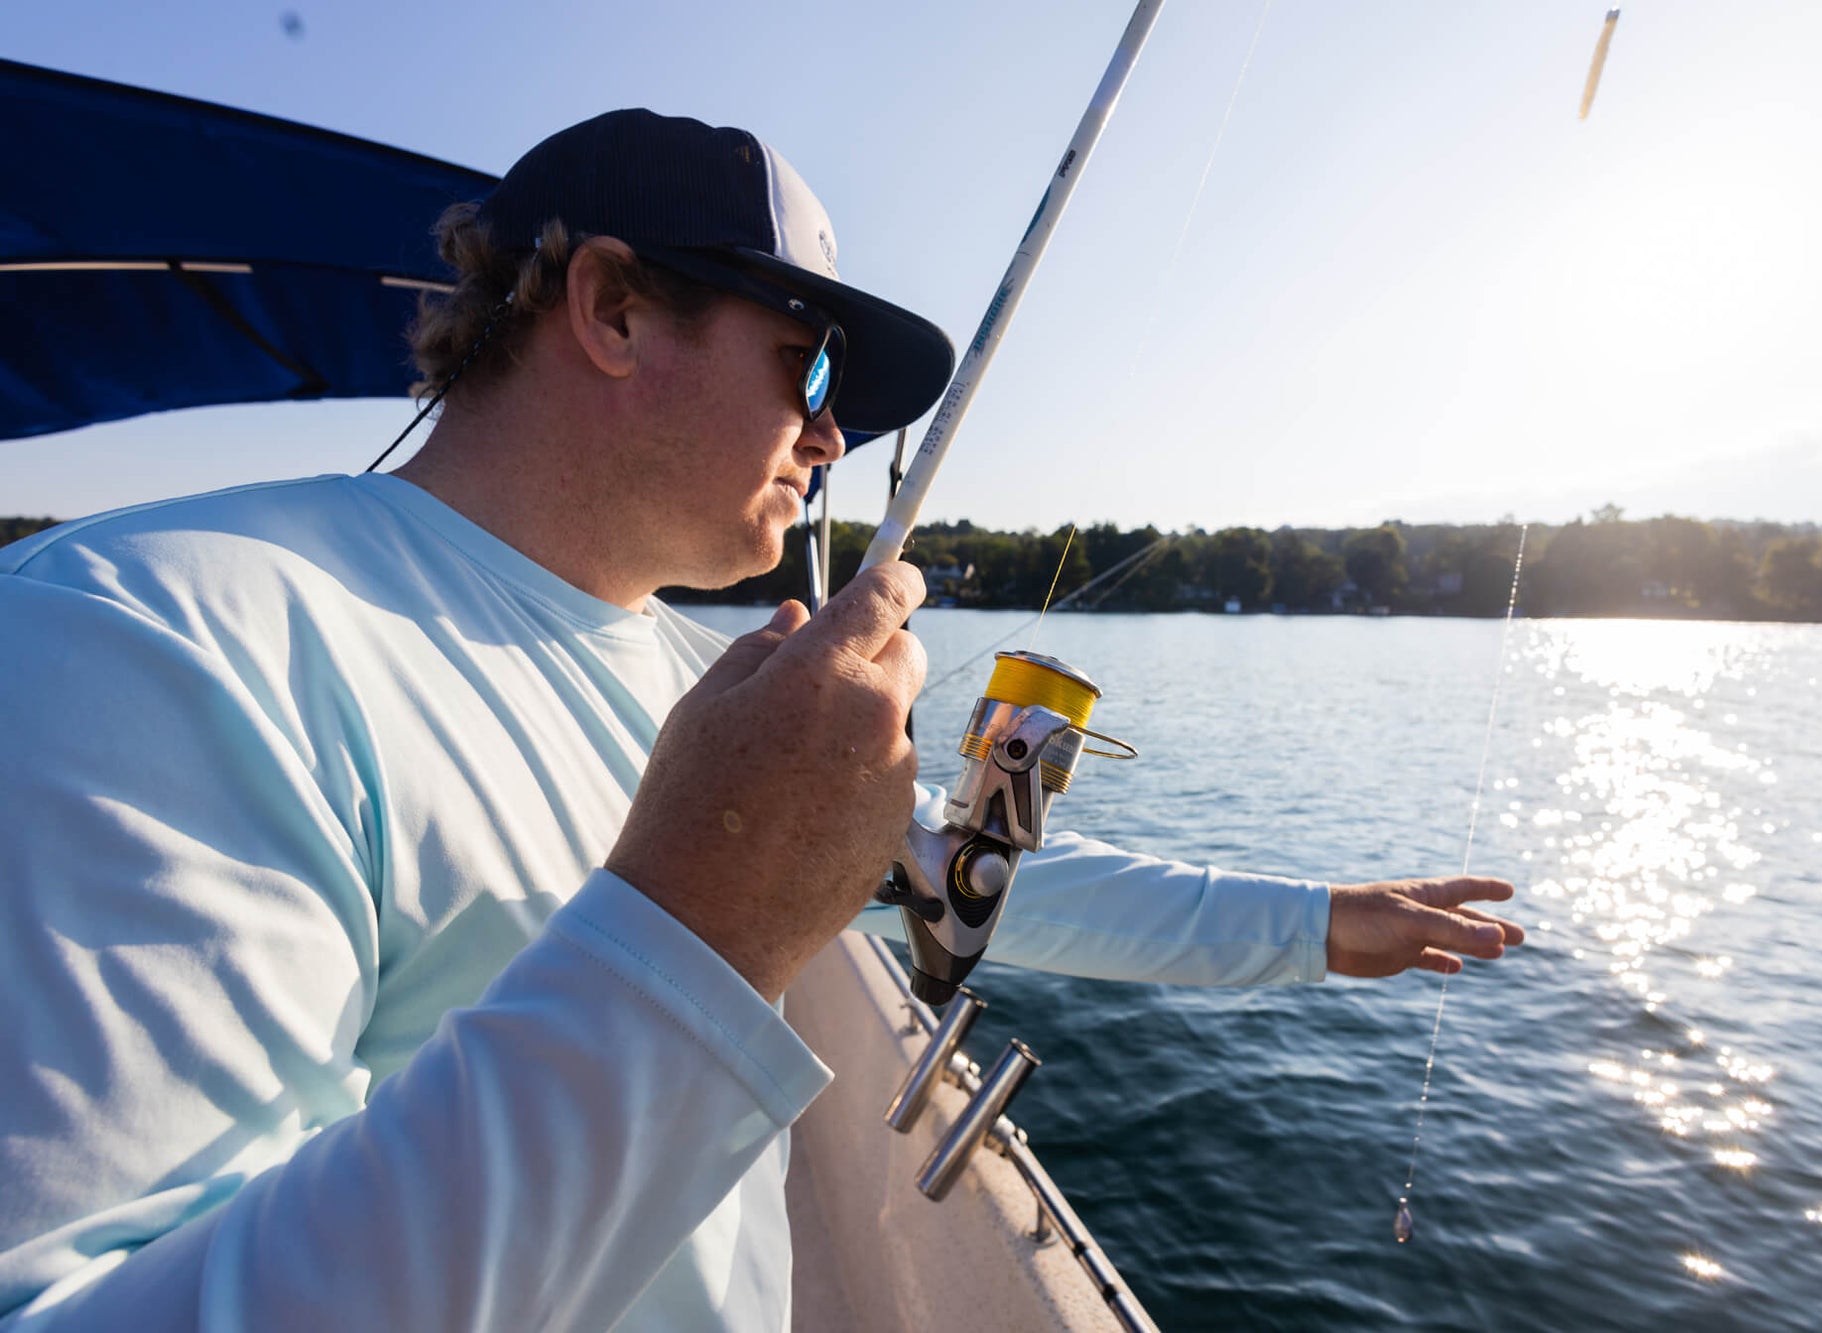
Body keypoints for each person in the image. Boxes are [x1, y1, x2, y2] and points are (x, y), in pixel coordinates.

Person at [0, 111, 1522, 1330]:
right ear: (611, 308)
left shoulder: (700, 680)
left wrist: (1312, 925)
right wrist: (705, 923)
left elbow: (961, 874)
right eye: (808, 360)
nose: (835, 431)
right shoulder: (155, 632)